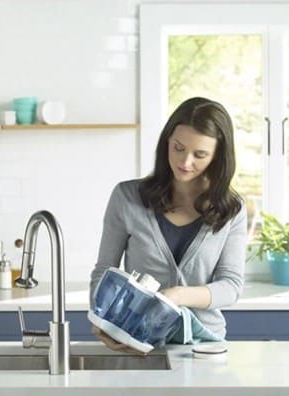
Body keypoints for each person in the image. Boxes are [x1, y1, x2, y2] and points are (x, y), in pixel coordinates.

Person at [89, 97, 247, 353]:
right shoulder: (127, 197)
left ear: (218, 156)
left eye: (200, 154)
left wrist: (176, 296)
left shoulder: (232, 209)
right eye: (178, 147)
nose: (185, 162)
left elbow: (230, 287)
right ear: (166, 143)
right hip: (137, 343)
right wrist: (103, 320)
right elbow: (104, 270)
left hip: (204, 347)